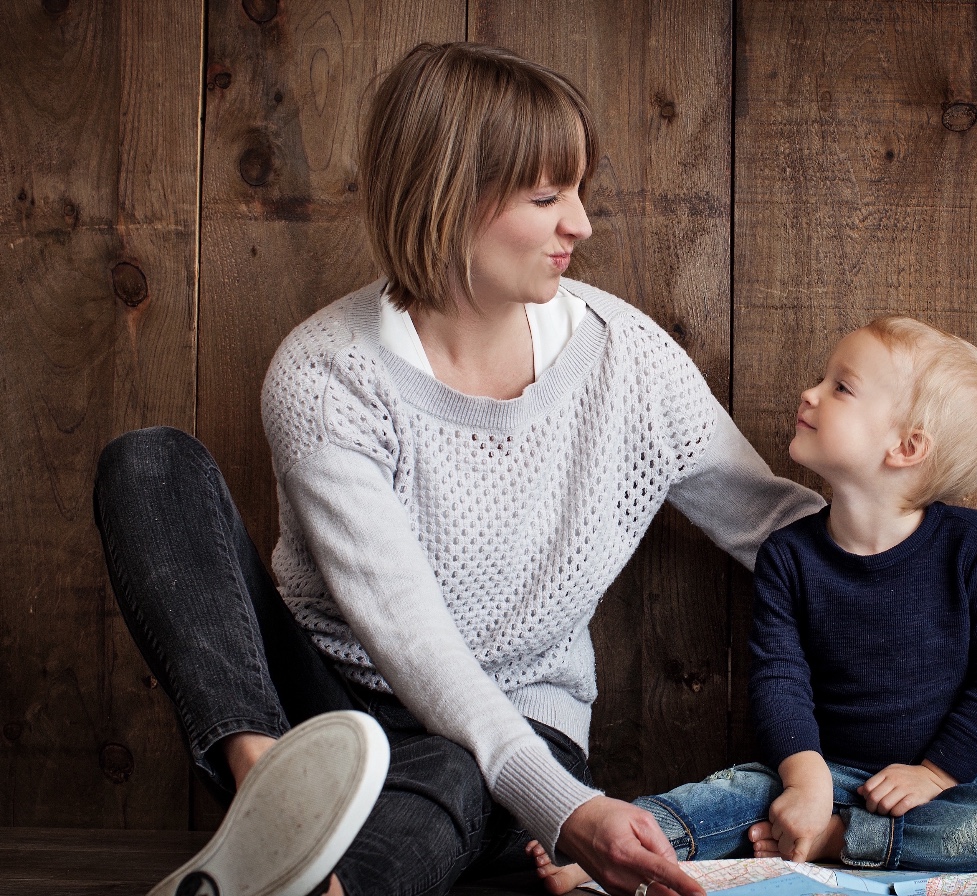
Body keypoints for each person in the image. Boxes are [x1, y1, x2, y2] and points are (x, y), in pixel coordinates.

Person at [92, 41, 823, 896]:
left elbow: (776, 526)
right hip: (318, 704)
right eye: (548, 196)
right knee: (148, 466)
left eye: (579, 192)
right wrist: (573, 813)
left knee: (451, 772)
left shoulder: (632, 362)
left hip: (517, 722)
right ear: (446, 198)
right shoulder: (327, 372)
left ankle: (308, 880)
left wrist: (950, 658)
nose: (580, 224)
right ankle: (273, 803)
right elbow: (407, 634)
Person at [531, 317, 977, 893]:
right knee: (729, 795)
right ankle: (613, 850)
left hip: (931, 791)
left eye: (841, 388)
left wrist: (936, 772)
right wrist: (805, 780)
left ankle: (838, 840)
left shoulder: (968, 545)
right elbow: (779, 678)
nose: (811, 392)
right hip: (820, 769)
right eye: (823, 379)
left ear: (907, 447)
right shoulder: (790, 555)